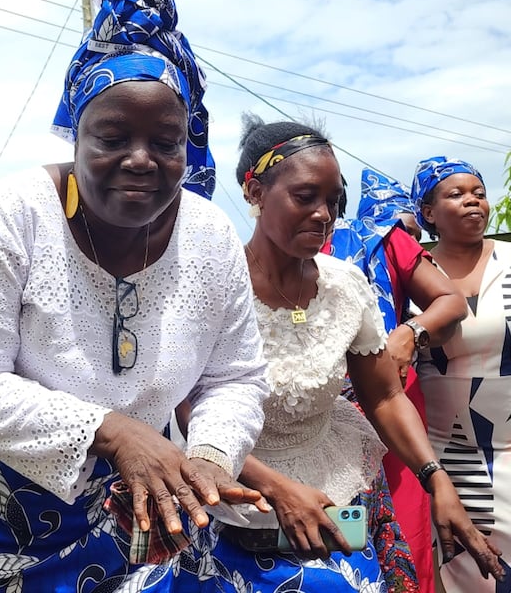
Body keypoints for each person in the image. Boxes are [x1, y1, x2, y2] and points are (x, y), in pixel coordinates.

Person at [0, 0, 270, 591]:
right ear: (75, 135)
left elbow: (234, 377)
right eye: (112, 137)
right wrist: (113, 431)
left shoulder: (212, 236)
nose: (141, 160)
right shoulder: (15, 216)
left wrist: (210, 457)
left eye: (167, 142)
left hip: (130, 512)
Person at [183, 117, 503, 592]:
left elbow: (384, 396)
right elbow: (190, 410)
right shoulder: (209, 282)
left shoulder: (344, 284)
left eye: (333, 200)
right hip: (231, 501)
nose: (323, 214)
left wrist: (436, 481)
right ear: (254, 191)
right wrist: (276, 489)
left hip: (336, 495)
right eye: (305, 197)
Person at [324, 168, 468, 592]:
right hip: (309, 429)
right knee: (334, 546)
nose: (318, 210)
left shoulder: (381, 238)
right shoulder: (251, 262)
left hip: (390, 414)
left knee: (404, 540)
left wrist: (409, 331)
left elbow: (449, 301)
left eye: (328, 196)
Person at [411, 156, 511, 591]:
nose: (474, 202)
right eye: (457, 194)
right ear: (429, 213)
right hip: (448, 458)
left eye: (479, 193)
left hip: (510, 445)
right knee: (468, 571)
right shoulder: (411, 276)